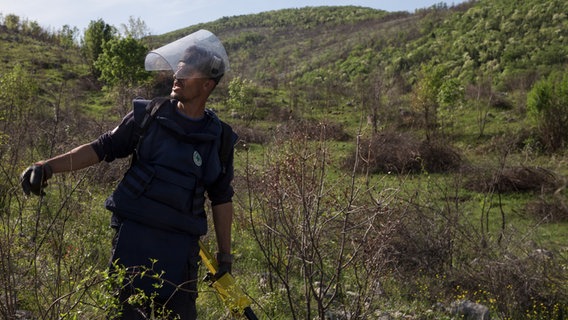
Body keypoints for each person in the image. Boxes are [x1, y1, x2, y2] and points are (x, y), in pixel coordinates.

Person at [20, 30, 237, 319]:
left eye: (188, 69)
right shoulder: (148, 115)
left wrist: (225, 256)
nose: (178, 73)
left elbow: (221, 199)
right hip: (133, 240)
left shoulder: (219, 139)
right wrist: (46, 166)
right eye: (179, 65)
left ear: (208, 84)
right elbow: (101, 148)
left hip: (179, 252)